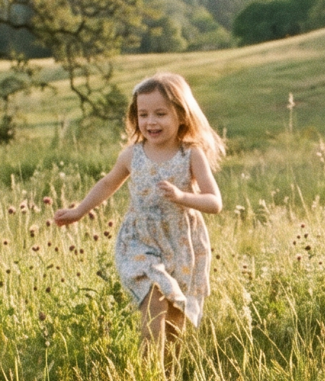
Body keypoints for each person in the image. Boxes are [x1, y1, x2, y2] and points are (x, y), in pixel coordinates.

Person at [52, 73, 225, 349]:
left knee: (174, 322)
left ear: (181, 115)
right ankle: (150, 376)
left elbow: (215, 202)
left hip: (181, 243)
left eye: (160, 113)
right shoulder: (133, 155)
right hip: (140, 241)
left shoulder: (190, 154)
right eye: (143, 114)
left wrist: (182, 196)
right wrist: (80, 210)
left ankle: (166, 380)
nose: (151, 122)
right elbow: (108, 183)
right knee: (154, 302)